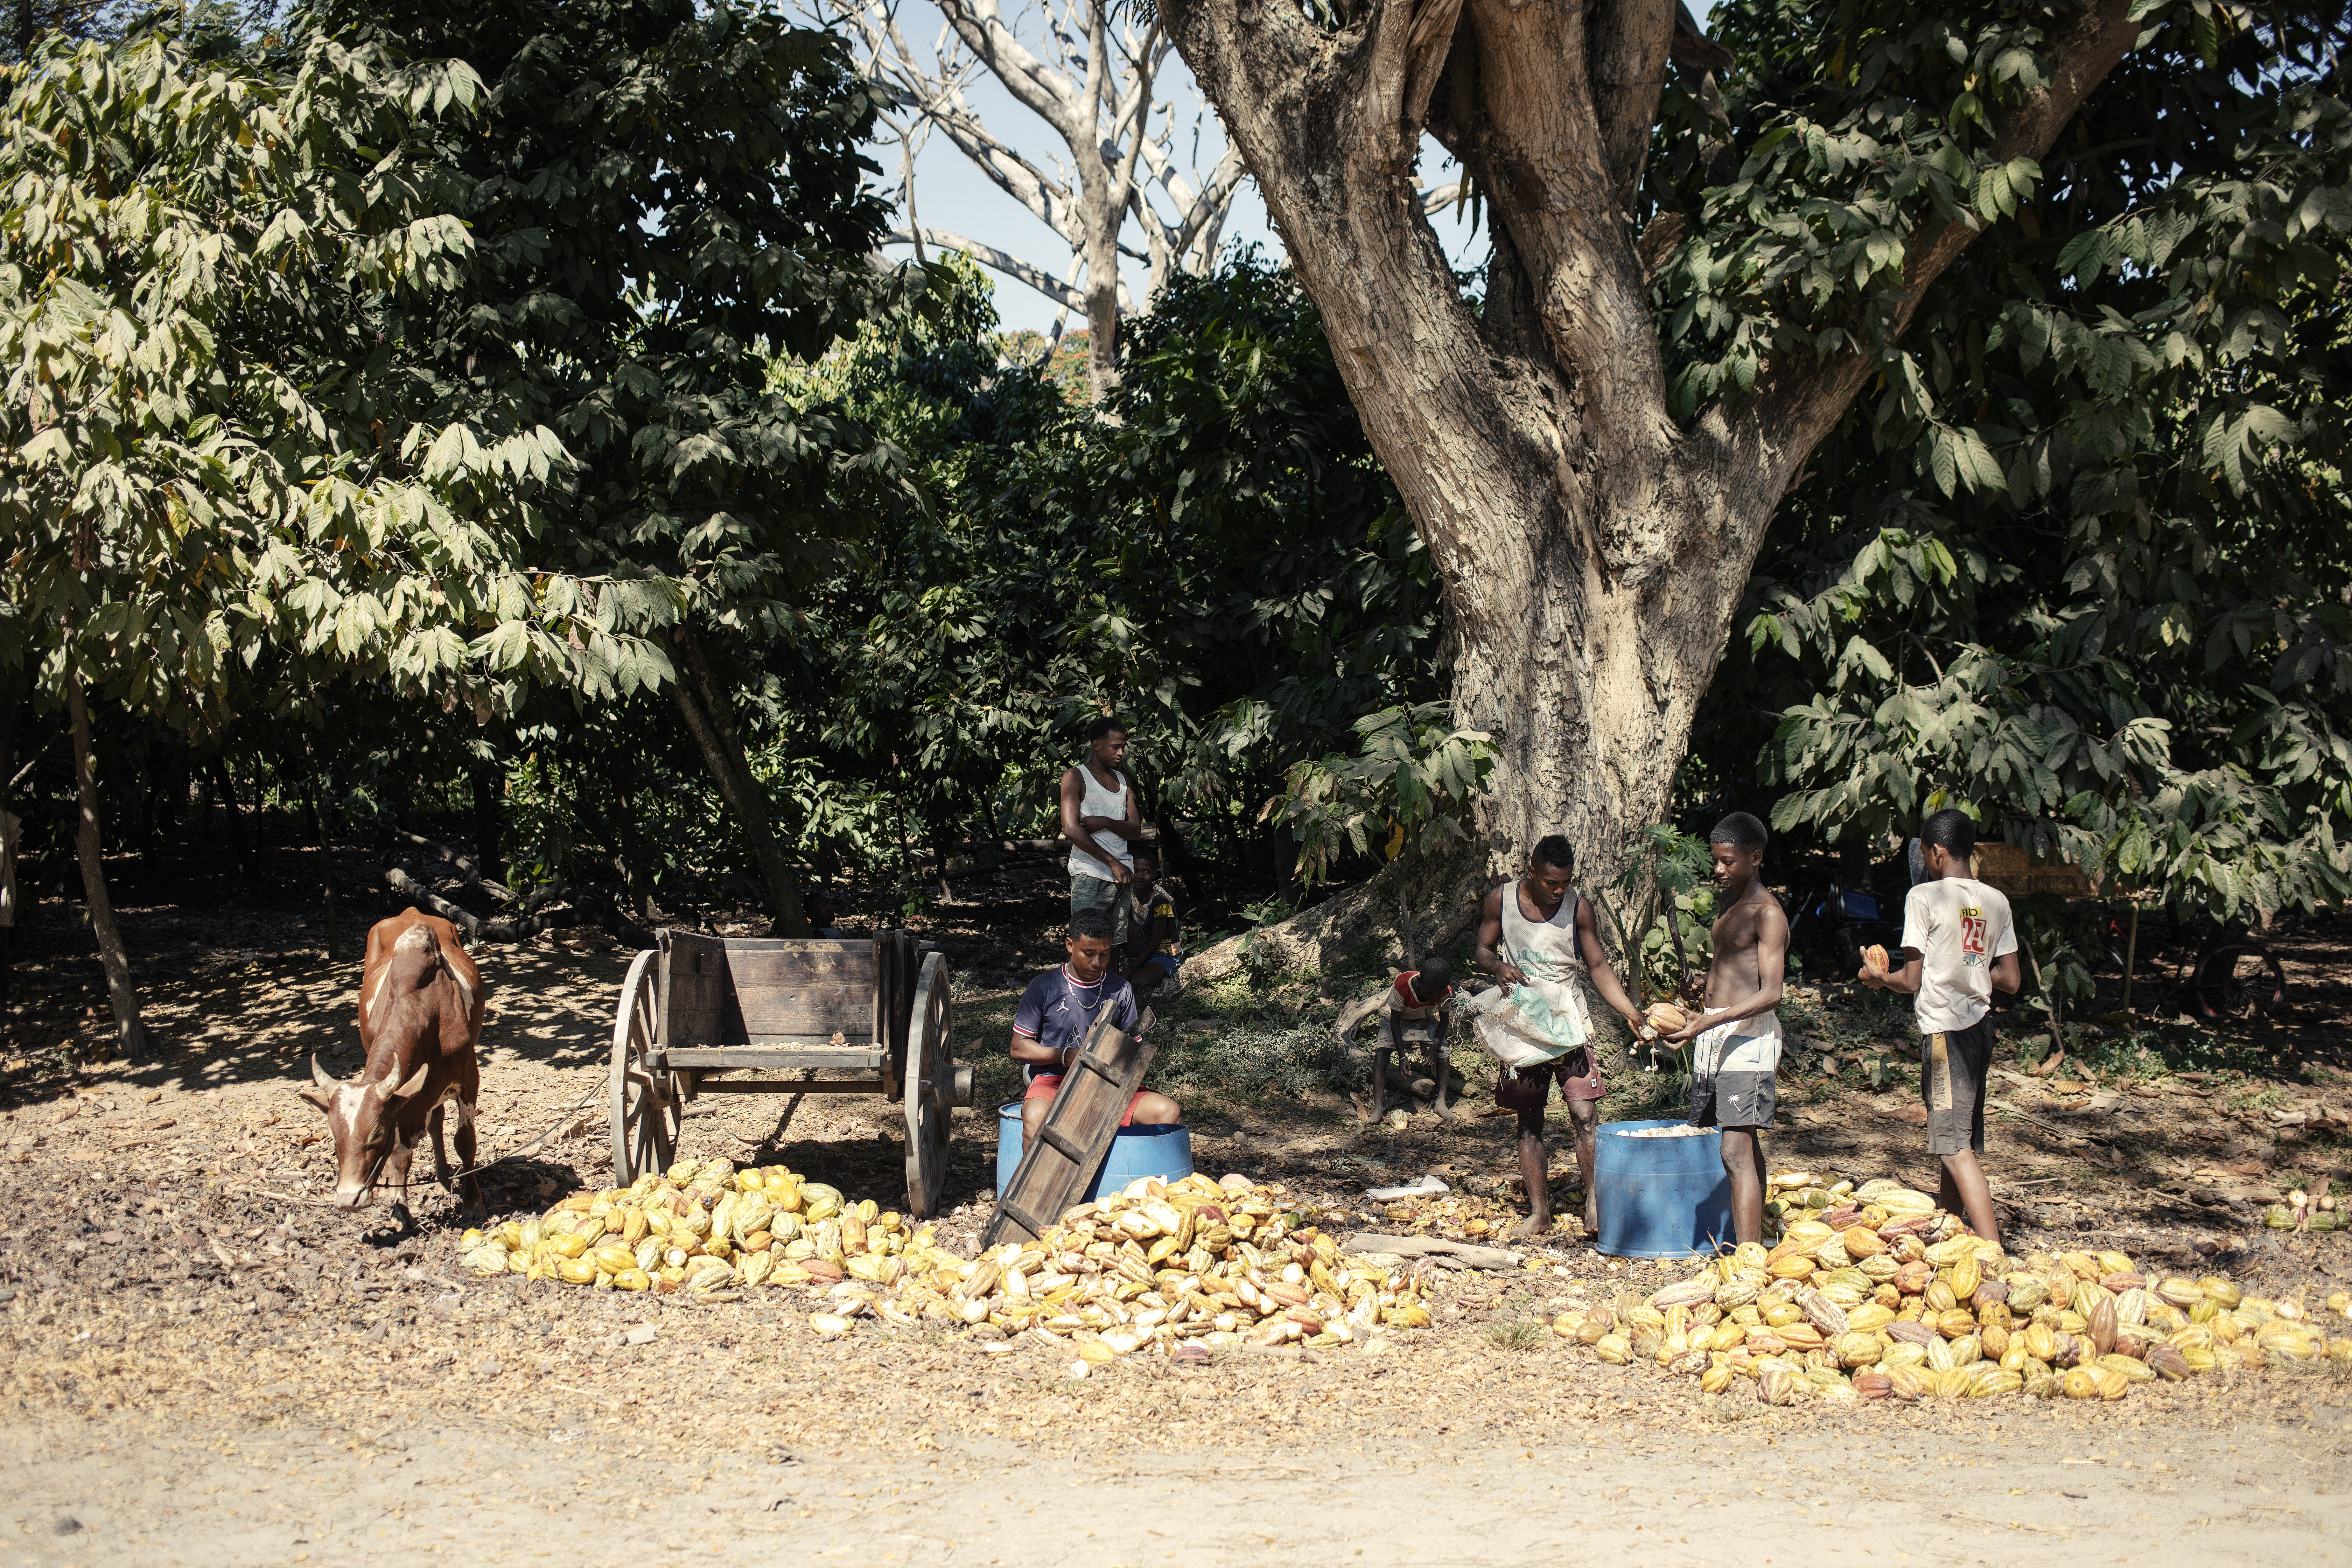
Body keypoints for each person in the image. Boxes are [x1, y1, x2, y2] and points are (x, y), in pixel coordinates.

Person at [1858, 807, 2021, 1249]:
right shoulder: (1996, 901)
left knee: (1952, 1144)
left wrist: (1877, 978)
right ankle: (1952, 1229)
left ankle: (1991, 1251)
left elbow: (1910, 981)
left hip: (1946, 1032)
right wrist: (1972, 964)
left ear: (1936, 851)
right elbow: (2010, 979)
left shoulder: (1924, 897)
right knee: (1958, 1135)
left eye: (1926, 854)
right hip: (1981, 1028)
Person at [1472, 835, 1646, 1240]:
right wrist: (1497, 966)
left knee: (1585, 1116)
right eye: (1551, 882)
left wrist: (1630, 1013)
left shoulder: (1578, 907)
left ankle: (1595, 1204)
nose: (1558, 890)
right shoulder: (1501, 900)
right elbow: (1481, 949)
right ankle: (1539, 1213)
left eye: (1565, 882)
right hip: (1522, 1028)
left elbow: (1599, 964)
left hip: (1568, 1024)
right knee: (1529, 1121)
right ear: (1532, 870)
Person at [1659, 812, 1788, 1246]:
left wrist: (1710, 1019)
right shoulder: (1728, 903)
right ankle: (1762, 1239)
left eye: (1728, 861)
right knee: (1743, 1142)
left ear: (1756, 857)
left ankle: (1749, 1258)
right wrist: (1702, 986)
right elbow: (1732, 969)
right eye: (1716, 860)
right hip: (1716, 1034)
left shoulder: (1768, 913)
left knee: (1733, 1149)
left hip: (1747, 1039)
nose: (1718, 869)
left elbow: (1772, 991)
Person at [1011, 909, 1179, 1144]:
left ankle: (1130, 1179)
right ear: (1070, 945)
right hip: (1055, 1081)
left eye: (1105, 954)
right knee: (1036, 1118)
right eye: (1088, 953)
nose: (1097, 962)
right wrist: (1065, 1056)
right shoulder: (1044, 987)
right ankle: (1037, 1182)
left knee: (1166, 1112)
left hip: (1107, 1084)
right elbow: (1018, 1048)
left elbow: (1133, 1052)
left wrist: (1119, 1056)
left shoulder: (1120, 989)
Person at [1059, 717, 1141, 948]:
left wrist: (1106, 822)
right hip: (1090, 875)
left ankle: (1110, 987)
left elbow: (1136, 830)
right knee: (1085, 946)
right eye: (1116, 747)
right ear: (1096, 745)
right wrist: (1113, 862)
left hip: (1122, 877)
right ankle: (1076, 987)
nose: (1121, 753)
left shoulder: (1124, 782)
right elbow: (1071, 828)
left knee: (1112, 948)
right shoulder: (1075, 777)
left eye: (1123, 747)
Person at [1120, 845, 1184, 996]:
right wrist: (1130, 922)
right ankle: (1111, 974)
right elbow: (1125, 916)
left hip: (1164, 952)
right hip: (1143, 945)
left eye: (1147, 872)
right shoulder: (1130, 890)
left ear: (1155, 874)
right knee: (1117, 930)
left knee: (1137, 982)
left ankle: (1143, 968)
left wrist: (1131, 970)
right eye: (1136, 871)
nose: (1140, 876)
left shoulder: (1161, 900)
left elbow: (1156, 940)